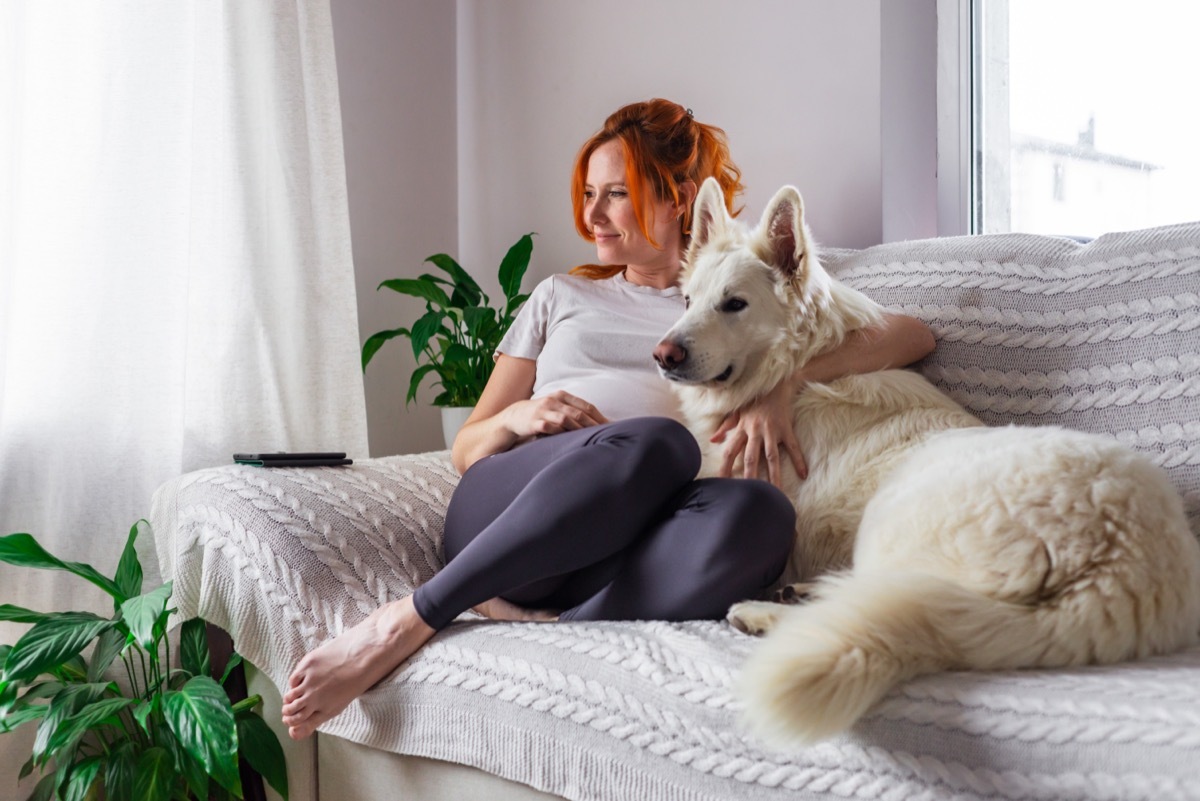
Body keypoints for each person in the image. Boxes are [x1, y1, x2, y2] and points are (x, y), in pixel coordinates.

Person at [281, 99, 935, 740]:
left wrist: (785, 385)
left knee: (761, 512)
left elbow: (911, 335)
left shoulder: (736, 294)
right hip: (517, 505)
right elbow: (467, 444)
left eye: (615, 193)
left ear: (678, 197)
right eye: (589, 193)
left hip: (627, 540)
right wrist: (522, 415)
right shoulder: (561, 295)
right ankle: (410, 618)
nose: (592, 213)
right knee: (661, 443)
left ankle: (561, 628)